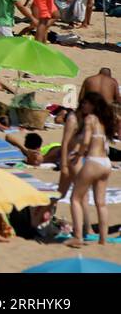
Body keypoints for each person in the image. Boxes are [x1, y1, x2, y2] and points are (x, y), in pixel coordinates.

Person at [67, 92, 116, 249]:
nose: (83, 106)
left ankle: (78, 237)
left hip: (93, 161)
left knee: (75, 198)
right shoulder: (103, 121)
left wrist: (78, 155)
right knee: (101, 203)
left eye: (86, 103)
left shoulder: (90, 119)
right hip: (106, 163)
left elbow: (87, 141)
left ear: (93, 105)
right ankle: (103, 239)